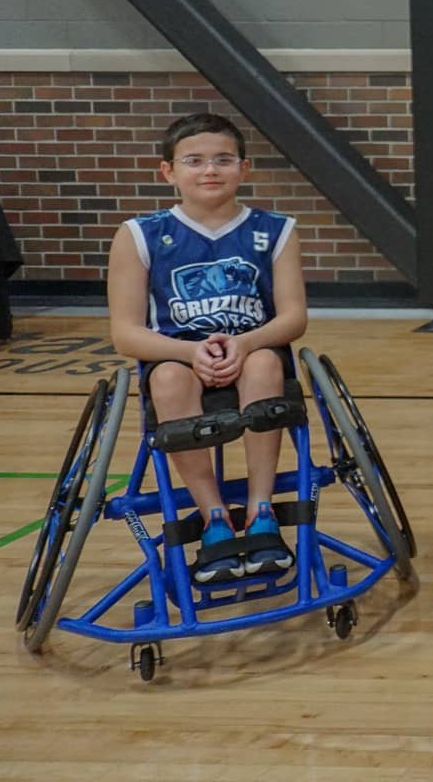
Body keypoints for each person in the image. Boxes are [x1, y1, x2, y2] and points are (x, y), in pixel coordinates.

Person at [106, 113, 308, 584]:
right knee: (169, 379)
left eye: (223, 160)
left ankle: (261, 512)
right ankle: (214, 516)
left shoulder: (275, 229)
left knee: (262, 364)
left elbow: (294, 317)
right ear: (168, 172)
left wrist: (243, 342)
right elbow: (125, 333)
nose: (209, 170)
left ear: (244, 168)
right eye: (194, 161)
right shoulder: (139, 234)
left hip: (252, 348)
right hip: (177, 356)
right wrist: (187, 353)